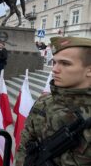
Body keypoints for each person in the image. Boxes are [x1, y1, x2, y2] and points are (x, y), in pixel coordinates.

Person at [15, 36, 91, 166]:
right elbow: (24, 145)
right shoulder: (44, 101)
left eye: (65, 63)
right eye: (54, 62)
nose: (54, 69)